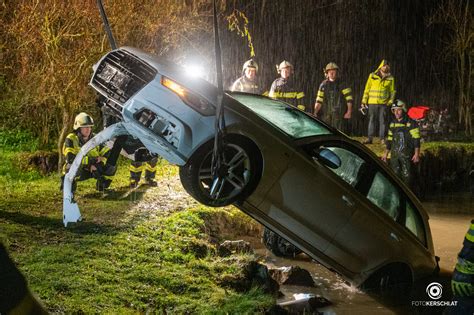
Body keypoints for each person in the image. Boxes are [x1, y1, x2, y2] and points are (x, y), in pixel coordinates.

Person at [61, 112, 113, 192]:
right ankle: (69, 184)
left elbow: (107, 153)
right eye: (85, 127)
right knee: (70, 166)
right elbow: (70, 158)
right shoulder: (71, 139)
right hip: (80, 170)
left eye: (90, 127)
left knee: (112, 164)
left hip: (94, 167)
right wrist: (91, 163)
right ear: (78, 128)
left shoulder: (96, 138)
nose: (88, 129)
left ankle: (101, 182)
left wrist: (100, 163)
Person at [381, 100, 420, 188]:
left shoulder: (411, 123)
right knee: (395, 176)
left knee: (407, 176)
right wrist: (386, 153)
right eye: (394, 110)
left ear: (403, 110)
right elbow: (390, 140)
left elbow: (416, 139)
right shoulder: (392, 124)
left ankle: (407, 195)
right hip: (394, 155)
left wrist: (417, 153)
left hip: (407, 154)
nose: (396, 112)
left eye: (398, 110)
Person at [361, 59, 396, 144]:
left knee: (383, 121)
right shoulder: (372, 76)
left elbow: (393, 91)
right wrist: (364, 101)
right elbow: (367, 89)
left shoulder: (390, 78)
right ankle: (370, 139)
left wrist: (390, 101)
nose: (386, 67)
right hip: (372, 102)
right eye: (384, 65)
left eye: (388, 65)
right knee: (371, 120)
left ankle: (382, 139)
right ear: (381, 66)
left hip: (383, 103)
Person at [313, 62, 353, 131]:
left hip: (339, 113)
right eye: (329, 72)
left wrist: (349, 112)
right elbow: (319, 100)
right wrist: (315, 112)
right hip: (326, 114)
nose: (331, 73)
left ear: (336, 72)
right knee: (327, 132)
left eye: (333, 71)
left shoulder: (343, 84)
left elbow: (349, 99)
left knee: (339, 133)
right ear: (327, 73)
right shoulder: (323, 85)